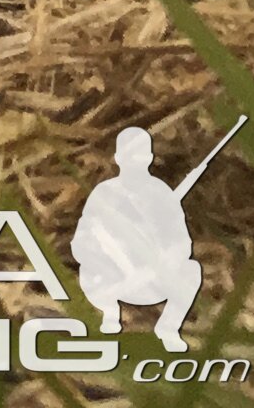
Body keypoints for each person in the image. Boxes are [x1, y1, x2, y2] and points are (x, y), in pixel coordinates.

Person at [73, 127, 202, 350]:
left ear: (150, 157)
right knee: (88, 273)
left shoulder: (161, 194)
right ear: (118, 158)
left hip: (152, 280)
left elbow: (183, 243)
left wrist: (165, 260)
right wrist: (108, 257)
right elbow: (80, 243)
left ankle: (169, 328)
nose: (136, 161)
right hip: (111, 280)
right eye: (131, 154)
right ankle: (109, 315)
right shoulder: (104, 193)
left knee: (191, 270)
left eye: (142, 154)